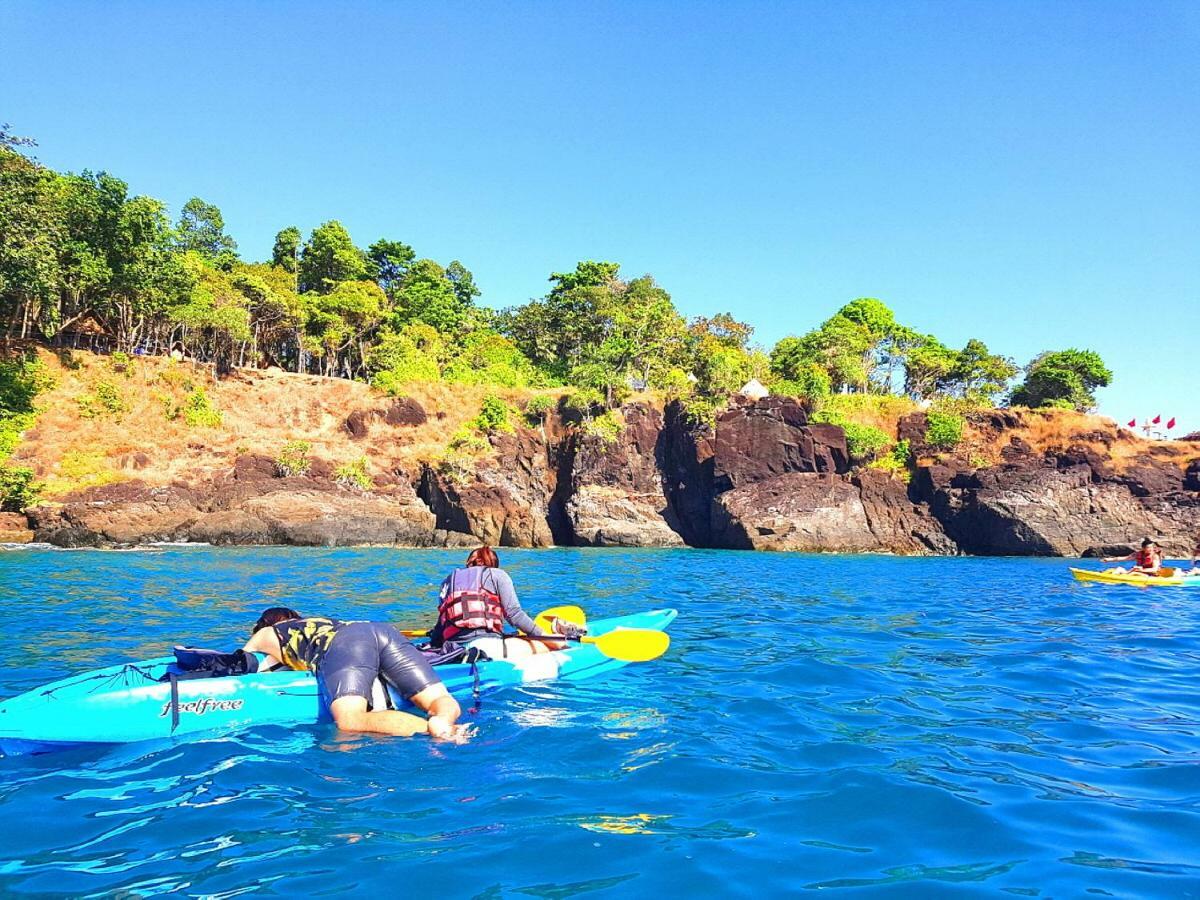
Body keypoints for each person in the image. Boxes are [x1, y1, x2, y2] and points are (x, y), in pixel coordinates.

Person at [243, 608, 467, 741]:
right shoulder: (314, 622)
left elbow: (242, 664)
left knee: (350, 719)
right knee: (438, 700)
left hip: (347, 644)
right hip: (381, 630)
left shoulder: (266, 632)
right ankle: (444, 719)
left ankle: (433, 729)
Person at [429, 545, 583, 660]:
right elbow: (515, 615)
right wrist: (543, 635)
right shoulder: (497, 575)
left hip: (452, 649)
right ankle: (569, 649)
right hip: (487, 648)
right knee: (543, 646)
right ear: (493, 564)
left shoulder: (449, 581)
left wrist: (434, 640)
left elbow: (441, 624)